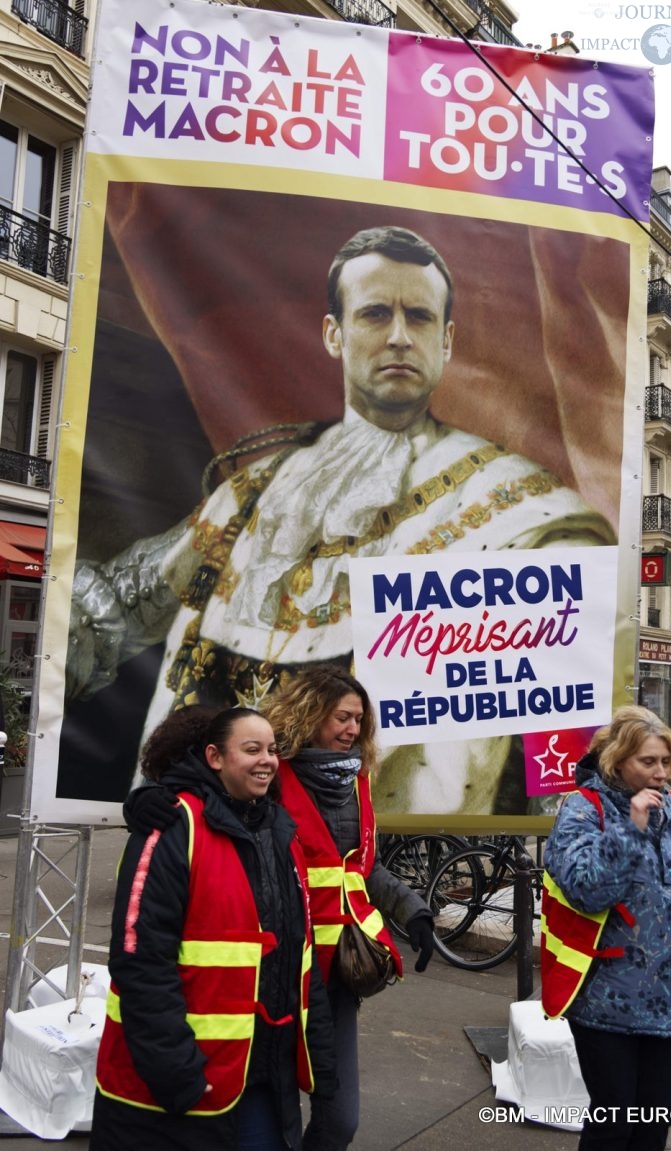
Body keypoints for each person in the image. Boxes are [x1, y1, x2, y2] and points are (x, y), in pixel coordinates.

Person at [66, 225, 615, 816]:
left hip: (380, 848)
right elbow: (115, 607)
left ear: (448, 340)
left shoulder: (522, 511)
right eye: (376, 313)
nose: (400, 337)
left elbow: (554, 719)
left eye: (421, 318)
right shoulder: (257, 489)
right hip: (203, 832)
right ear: (335, 333)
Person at [128, 664, 434, 1151]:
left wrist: (413, 910)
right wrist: (146, 799)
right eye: (342, 717)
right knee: (262, 1117)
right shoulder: (271, 769)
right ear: (311, 714)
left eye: (360, 720)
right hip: (273, 970)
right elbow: (202, 788)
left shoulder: (357, 783)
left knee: (339, 1120)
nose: (353, 730)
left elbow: (361, 867)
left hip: (334, 972)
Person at [91, 706, 336, 1151]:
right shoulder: (172, 826)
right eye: (251, 749)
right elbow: (141, 963)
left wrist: (324, 1077)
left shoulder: (280, 834)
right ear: (214, 756)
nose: (267, 759)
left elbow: (302, 964)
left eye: (272, 750)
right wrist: (178, 1077)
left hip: (263, 1079)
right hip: (182, 1091)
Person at [541, 705, 671, 1151]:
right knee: (614, 1126)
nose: (661, 772)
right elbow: (587, 890)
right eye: (648, 762)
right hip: (605, 1001)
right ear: (617, 760)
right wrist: (631, 828)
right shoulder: (582, 809)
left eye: (666, 761)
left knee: (652, 1127)